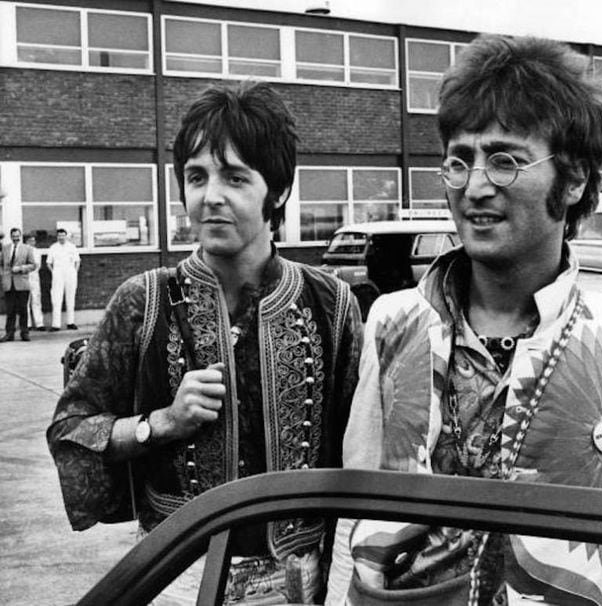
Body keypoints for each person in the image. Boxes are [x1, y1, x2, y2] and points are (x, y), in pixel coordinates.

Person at [326, 35, 602, 605]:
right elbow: (361, 512)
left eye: (505, 161)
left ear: (575, 178)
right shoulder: (393, 324)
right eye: (459, 161)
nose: (474, 187)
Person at [47, 81, 362, 604]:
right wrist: (159, 423)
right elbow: (70, 430)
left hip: (300, 578)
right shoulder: (142, 300)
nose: (211, 195)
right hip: (177, 573)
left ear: (279, 191)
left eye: (235, 177)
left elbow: (365, 451)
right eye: (196, 177)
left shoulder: (330, 302)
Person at [1, 227, 38, 342]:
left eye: (17, 236)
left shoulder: (27, 249)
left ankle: (24, 333)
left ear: (20, 236)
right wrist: (3, 275)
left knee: (23, 309)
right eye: (13, 236)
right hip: (8, 284)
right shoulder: (5, 248)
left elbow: (33, 265)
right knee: (10, 310)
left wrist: (21, 268)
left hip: (22, 283)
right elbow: (1, 264)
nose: (15, 238)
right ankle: (9, 333)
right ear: (11, 237)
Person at [47, 227, 80, 331]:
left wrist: (74, 272)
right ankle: (56, 325)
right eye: (59, 236)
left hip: (70, 272)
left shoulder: (72, 247)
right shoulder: (53, 247)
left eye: (63, 235)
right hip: (58, 273)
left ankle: (70, 322)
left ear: (66, 236)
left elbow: (77, 261)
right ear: (57, 237)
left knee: (71, 298)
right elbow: (48, 263)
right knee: (56, 298)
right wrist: (54, 272)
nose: (61, 237)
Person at [24, 234, 45, 330]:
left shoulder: (37, 251)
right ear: (26, 242)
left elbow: (37, 265)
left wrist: (31, 267)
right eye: (30, 241)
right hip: (24, 277)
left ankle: (39, 323)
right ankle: (27, 324)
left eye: (33, 241)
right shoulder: (22, 251)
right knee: (25, 301)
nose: (32, 243)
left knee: (36, 300)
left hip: (34, 277)